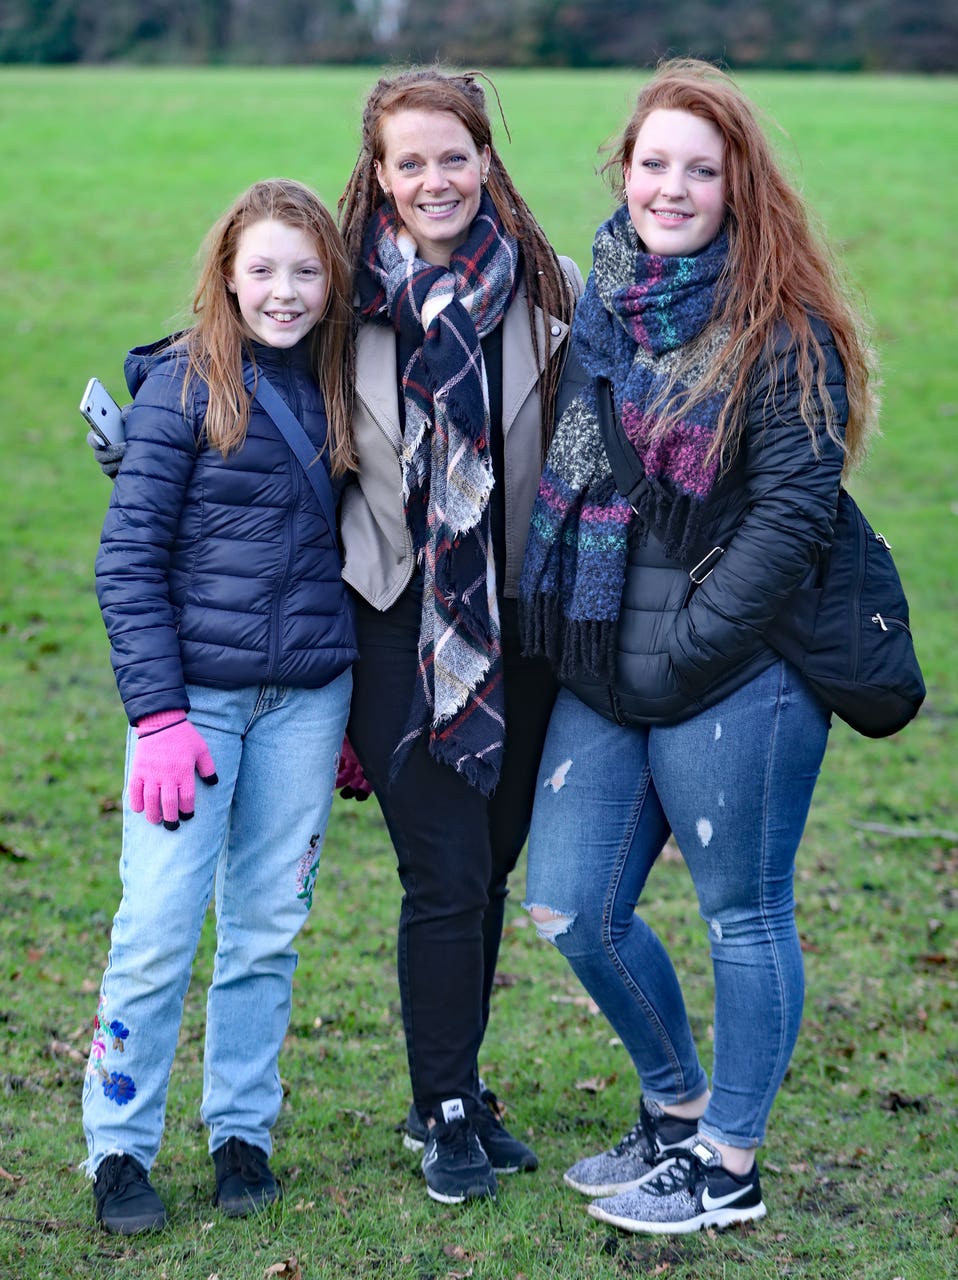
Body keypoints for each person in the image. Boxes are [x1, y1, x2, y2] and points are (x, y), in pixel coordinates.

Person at [518, 58, 877, 1235]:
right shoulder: (606, 302)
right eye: (652, 162)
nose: (670, 187)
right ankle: (674, 1107)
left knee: (745, 913)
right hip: (603, 657)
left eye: (699, 169)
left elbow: (790, 519)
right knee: (573, 905)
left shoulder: (782, 325)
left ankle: (729, 1159)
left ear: (737, 186)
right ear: (623, 170)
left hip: (739, 672)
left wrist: (681, 657)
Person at [82, 178, 357, 1234]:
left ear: (331, 279)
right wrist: (156, 714)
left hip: (307, 704)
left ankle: (242, 1128)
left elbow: (365, 555)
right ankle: (117, 1143)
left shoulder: (345, 386)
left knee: (266, 929)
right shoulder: (183, 388)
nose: (283, 292)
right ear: (226, 275)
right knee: (156, 927)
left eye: (304, 271)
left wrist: (352, 707)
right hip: (192, 709)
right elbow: (126, 559)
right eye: (262, 271)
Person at [335, 67, 587, 1204]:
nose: (434, 178)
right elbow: (229, 384)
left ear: (485, 161)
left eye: (453, 156)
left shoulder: (553, 297)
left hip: (518, 636)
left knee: (485, 870)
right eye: (410, 162)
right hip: (397, 625)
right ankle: (442, 1110)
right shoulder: (341, 313)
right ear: (380, 180)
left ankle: (456, 1082)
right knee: (441, 873)